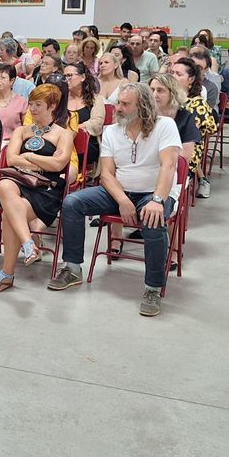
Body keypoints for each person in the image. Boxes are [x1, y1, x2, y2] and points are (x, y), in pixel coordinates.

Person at [49, 82, 182, 317]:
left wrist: (157, 200)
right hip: (119, 191)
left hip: (154, 192)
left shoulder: (165, 126)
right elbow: (107, 174)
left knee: (153, 219)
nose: (117, 108)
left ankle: (152, 288)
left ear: (142, 106)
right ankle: (72, 268)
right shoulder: (111, 131)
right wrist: (122, 200)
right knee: (72, 203)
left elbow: (169, 166)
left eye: (125, 104)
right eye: (118, 102)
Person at [0, 83, 75, 292]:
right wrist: (44, 161)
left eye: (38, 105)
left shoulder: (64, 134)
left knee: (8, 214)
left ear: (52, 107)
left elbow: (59, 165)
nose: (32, 109)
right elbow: (12, 160)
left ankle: (7, 275)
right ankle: (28, 243)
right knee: (4, 184)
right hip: (20, 182)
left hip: (46, 189)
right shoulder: (22, 131)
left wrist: (30, 156)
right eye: (31, 104)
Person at [62, 61, 105, 181]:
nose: (66, 79)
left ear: (82, 77)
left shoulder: (95, 99)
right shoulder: (60, 98)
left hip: (86, 144)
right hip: (61, 143)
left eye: (69, 75)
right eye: (64, 76)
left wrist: (74, 129)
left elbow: (96, 124)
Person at [149, 74, 200, 166]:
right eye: (152, 90)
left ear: (172, 93)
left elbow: (184, 157)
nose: (154, 94)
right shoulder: (145, 115)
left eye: (160, 90)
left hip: (174, 167)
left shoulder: (186, 117)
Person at [0, 63, 28, 140]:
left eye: (3, 77)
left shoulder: (22, 102)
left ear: (12, 81)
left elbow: (26, 129)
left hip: (12, 144)